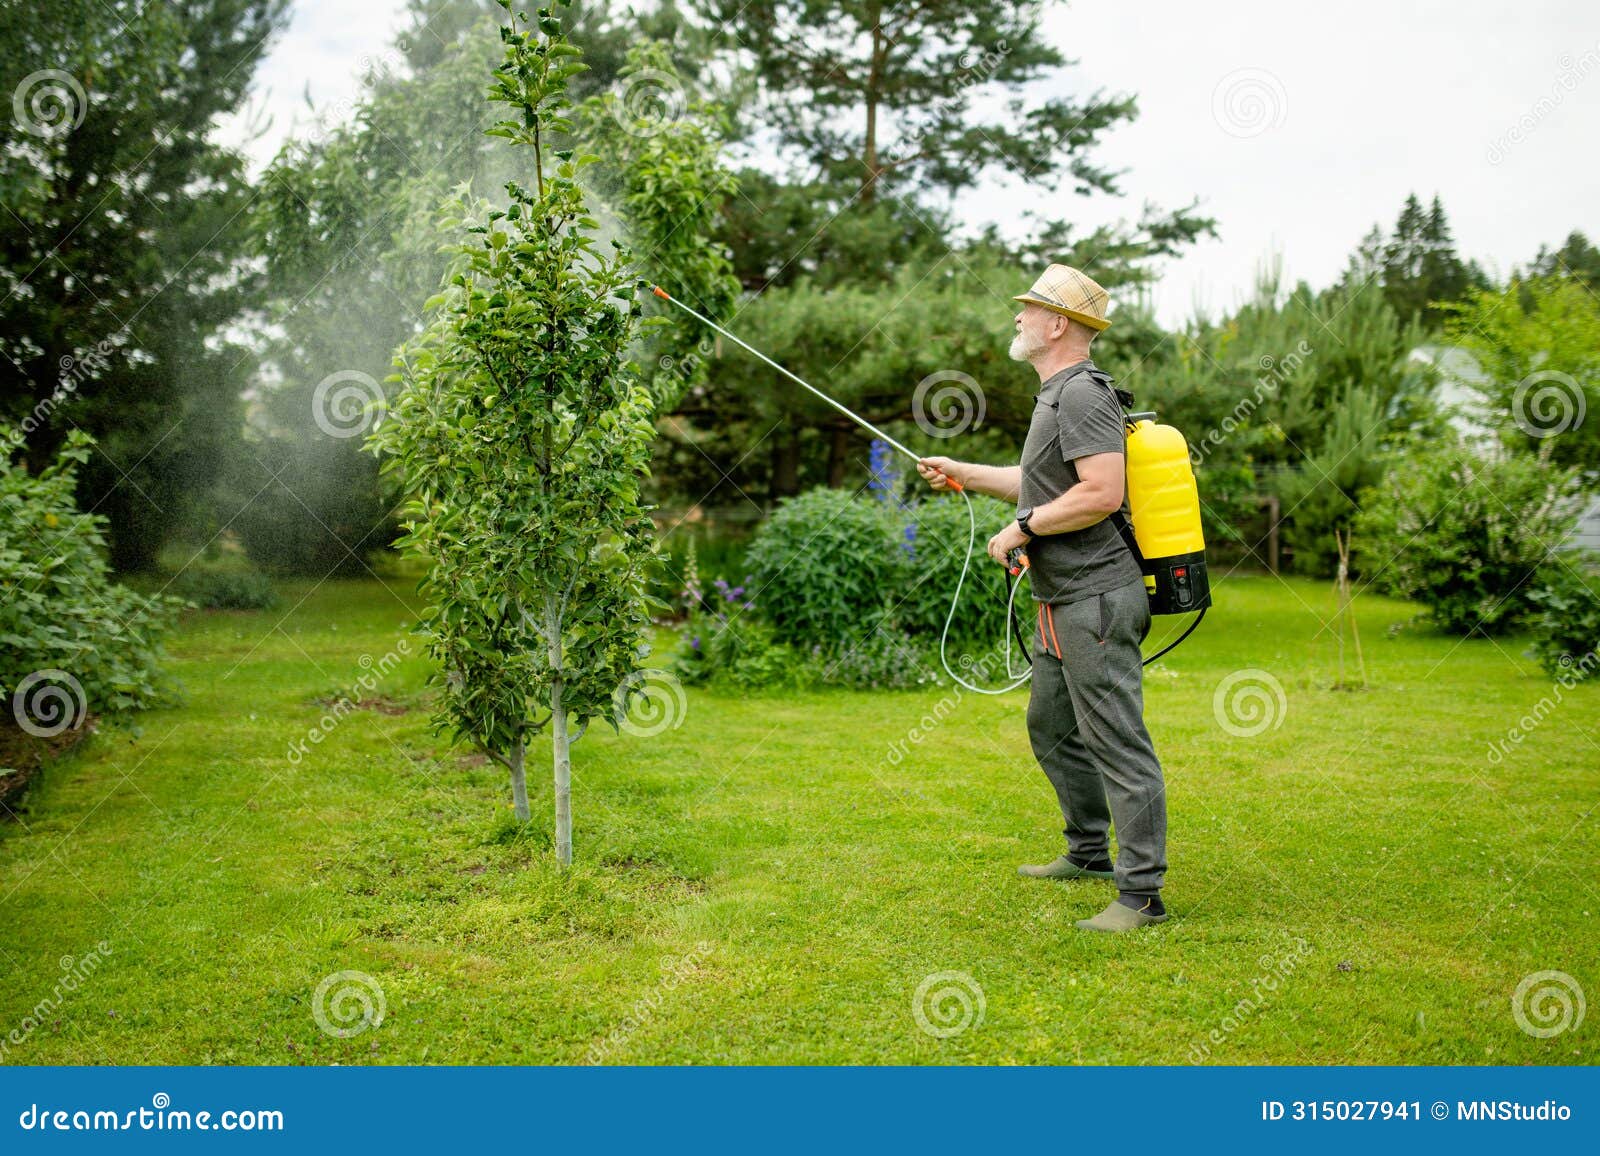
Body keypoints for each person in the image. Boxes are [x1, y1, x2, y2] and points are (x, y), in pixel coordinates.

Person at [917, 264, 1168, 932]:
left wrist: (1022, 528)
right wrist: (965, 473)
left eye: (1028, 310)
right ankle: (1088, 853)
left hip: (1096, 600)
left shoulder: (1082, 394)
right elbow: (1041, 484)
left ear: (1058, 324)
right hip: (1064, 599)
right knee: (1051, 726)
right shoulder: (1057, 394)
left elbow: (1101, 493)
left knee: (1117, 741)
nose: (1018, 318)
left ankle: (1142, 894)